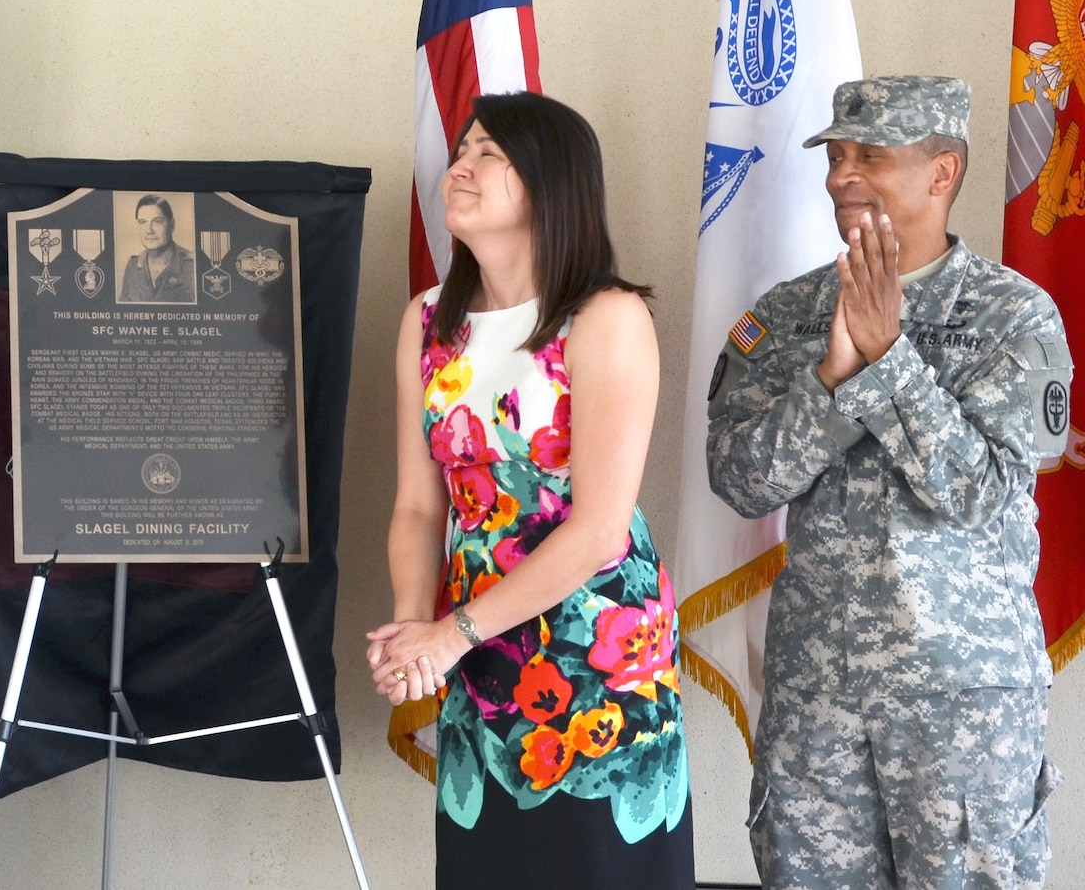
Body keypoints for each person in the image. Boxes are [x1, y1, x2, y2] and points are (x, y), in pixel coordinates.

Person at [707, 76, 1068, 889]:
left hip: (960, 701)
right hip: (816, 695)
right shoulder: (790, 314)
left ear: (942, 173)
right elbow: (738, 478)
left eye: (870, 155)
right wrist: (831, 382)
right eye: (836, 157)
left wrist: (889, 359)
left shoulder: (1013, 317)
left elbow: (980, 493)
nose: (842, 176)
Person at [367, 91, 693, 888]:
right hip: (474, 652)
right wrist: (416, 633)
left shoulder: (606, 317)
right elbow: (418, 504)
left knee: (594, 866)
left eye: (491, 154)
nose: (462, 167)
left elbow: (600, 531)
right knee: (489, 866)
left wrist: (452, 633)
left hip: (594, 652)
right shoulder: (426, 321)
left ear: (551, 184)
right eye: (462, 149)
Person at [118, 193, 196, 302]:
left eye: (157, 222)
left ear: (172, 225)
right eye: (143, 222)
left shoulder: (192, 266)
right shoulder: (133, 266)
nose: (149, 230)